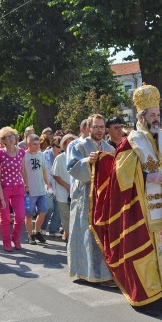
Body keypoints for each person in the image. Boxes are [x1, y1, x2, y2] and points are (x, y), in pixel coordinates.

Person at [91, 86, 162, 312]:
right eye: (151, 115)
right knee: (145, 252)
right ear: (141, 117)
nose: (155, 119)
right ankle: (148, 296)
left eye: (158, 115)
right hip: (141, 211)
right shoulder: (131, 141)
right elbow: (120, 176)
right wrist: (146, 175)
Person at [68, 114, 116, 286]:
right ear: (88, 128)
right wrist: (88, 161)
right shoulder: (79, 147)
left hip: (103, 199)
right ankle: (84, 272)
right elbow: (72, 168)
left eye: (102, 127)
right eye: (96, 127)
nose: (99, 130)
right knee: (85, 234)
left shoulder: (109, 148)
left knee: (102, 234)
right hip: (85, 197)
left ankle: (103, 274)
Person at [0, 127, 27, 251]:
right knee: (5, 218)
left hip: (18, 187)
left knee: (20, 216)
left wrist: (27, 185)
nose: (10, 139)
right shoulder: (0, 153)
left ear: (15, 137)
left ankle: (15, 237)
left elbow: (23, 170)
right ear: (3, 140)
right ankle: (6, 241)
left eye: (11, 136)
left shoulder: (22, 152)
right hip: (4, 188)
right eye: (6, 137)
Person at [23, 134, 52, 245]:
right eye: (34, 144)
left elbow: (44, 170)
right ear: (28, 144)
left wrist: (47, 184)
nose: (37, 146)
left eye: (38, 144)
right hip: (29, 191)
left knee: (43, 212)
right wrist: (25, 185)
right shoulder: (24, 156)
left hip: (41, 190)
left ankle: (36, 231)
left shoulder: (41, 154)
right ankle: (30, 235)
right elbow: (22, 172)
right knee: (29, 215)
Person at [52, 133, 77, 243]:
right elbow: (55, 174)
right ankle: (71, 239)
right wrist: (66, 186)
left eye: (73, 141)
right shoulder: (60, 157)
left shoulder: (77, 157)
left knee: (75, 218)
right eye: (68, 142)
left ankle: (73, 238)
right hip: (63, 193)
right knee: (66, 217)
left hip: (76, 193)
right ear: (64, 144)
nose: (71, 144)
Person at [41, 136, 62, 237]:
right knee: (49, 207)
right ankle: (43, 227)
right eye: (58, 146)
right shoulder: (45, 154)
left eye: (61, 146)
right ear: (53, 145)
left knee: (59, 208)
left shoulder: (63, 156)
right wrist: (48, 185)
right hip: (47, 185)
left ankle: (54, 229)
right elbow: (43, 170)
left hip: (60, 185)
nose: (60, 148)